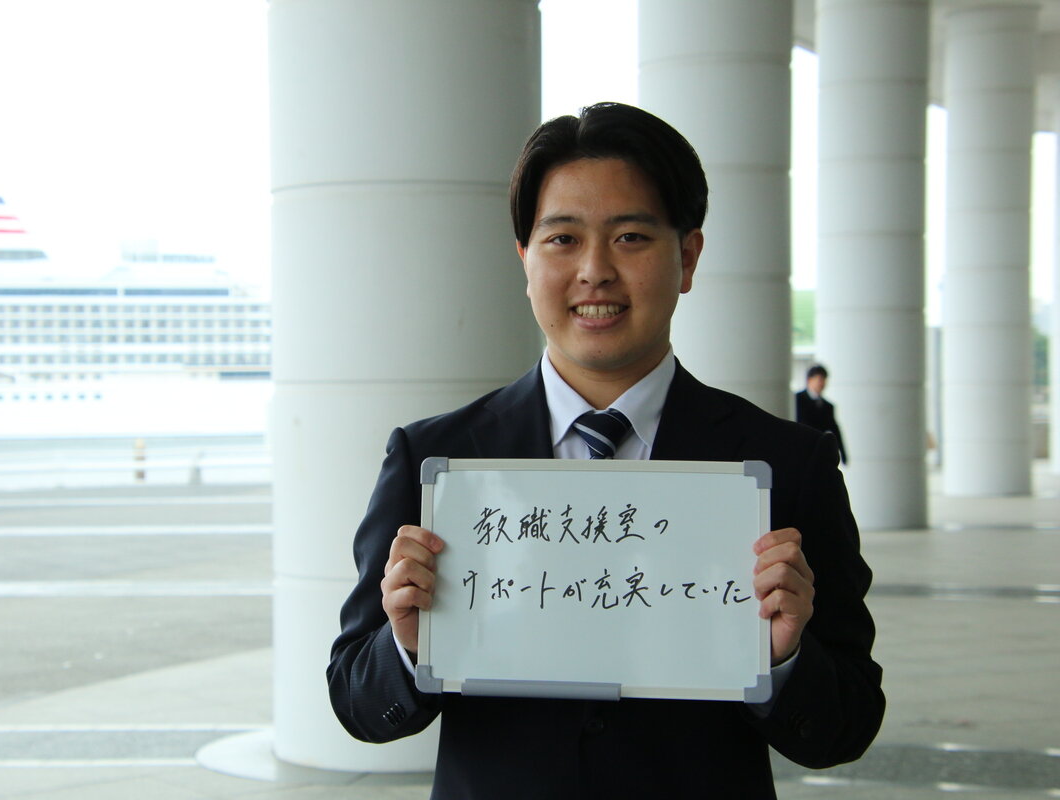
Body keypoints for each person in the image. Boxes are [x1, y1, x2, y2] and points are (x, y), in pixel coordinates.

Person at [327, 102, 883, 799]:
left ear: (687, 257)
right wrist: (409, 646)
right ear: (525, 258)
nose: (594, 270)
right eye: (562, 238)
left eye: (630, 237)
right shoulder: (433, 460)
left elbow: (847, 725)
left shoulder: (785, 464)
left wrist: (784, 658)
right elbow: (356, 700)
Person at [796, 364, 848, 465]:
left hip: (817, 451)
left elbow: (834, 428)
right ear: (809, 380)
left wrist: (843, 453)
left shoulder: (828, 406)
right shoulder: (796, 399)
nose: (822, 383)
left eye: (824, 380)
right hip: (800, 448)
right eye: (819, 379)